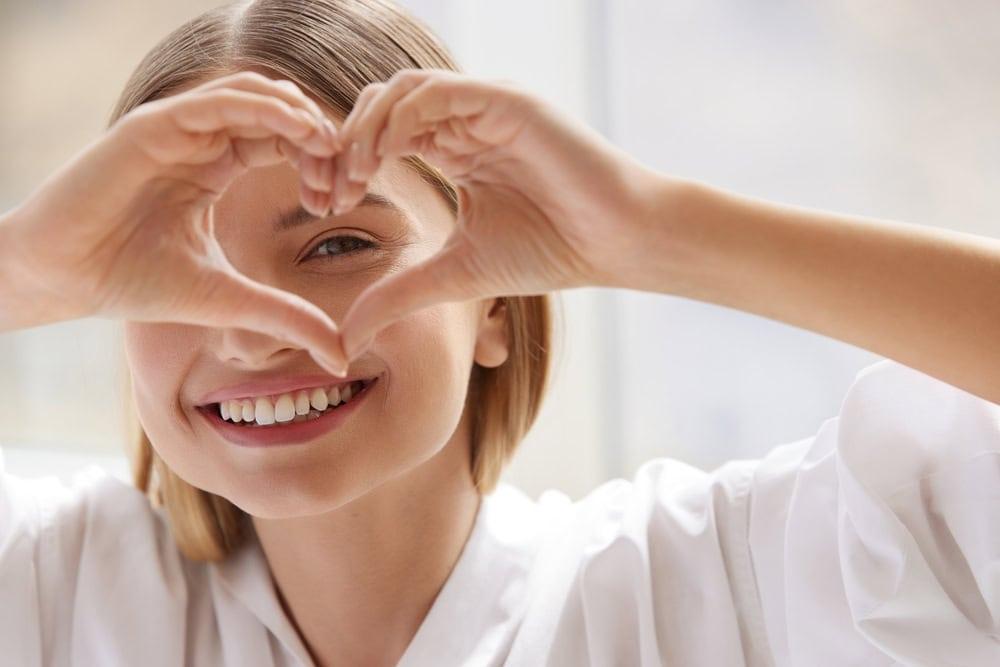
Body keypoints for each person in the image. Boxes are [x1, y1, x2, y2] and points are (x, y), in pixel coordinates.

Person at [1, 0, 998, 665]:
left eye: (339, 244)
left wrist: (659, 234)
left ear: (495, 305)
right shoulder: (54, 592)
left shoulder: (709, 585)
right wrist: (24, 271)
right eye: (186, 271)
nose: (257, 336)